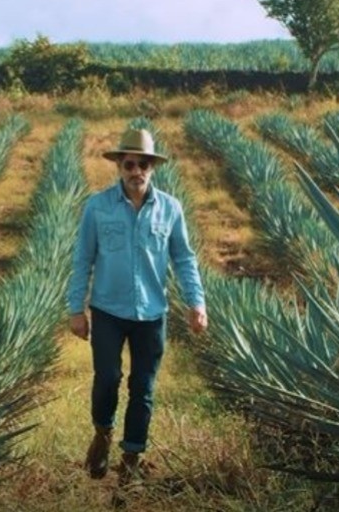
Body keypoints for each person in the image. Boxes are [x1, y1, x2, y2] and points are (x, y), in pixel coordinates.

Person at [66, 127, 208, 486]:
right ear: (119, 166)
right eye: (130, 164)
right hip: (108, 310)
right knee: (108, 379)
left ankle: (130, 460)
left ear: (152, 167)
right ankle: (102, 434)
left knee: (143, 388)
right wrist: (75, 309)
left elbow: (184, 259)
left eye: (143, 164)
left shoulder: (171, 209)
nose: (136, 171)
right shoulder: (97, 207)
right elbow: (83, 259)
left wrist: (197, 302)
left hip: (151, 313)